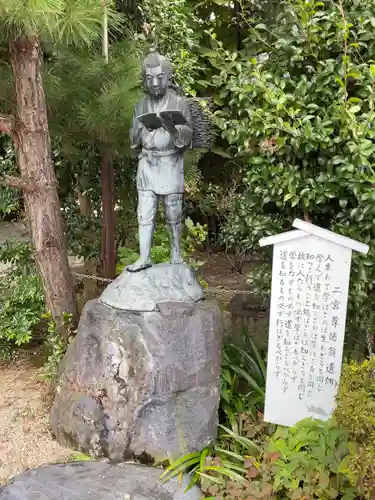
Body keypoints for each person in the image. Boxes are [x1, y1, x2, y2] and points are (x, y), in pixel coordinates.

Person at [127, 51, 193, 272]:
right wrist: (142, 128)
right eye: (149, 78)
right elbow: (133, 139)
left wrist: (172, 128)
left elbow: (186, 137)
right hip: (148, 162)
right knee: (144, 211)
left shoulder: (178, 103)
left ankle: (176, 250)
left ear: (168, 78)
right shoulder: (141, 105)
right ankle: (144, 256)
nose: (154, 83)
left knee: (173, 210)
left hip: (171, 162)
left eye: (159, 77)